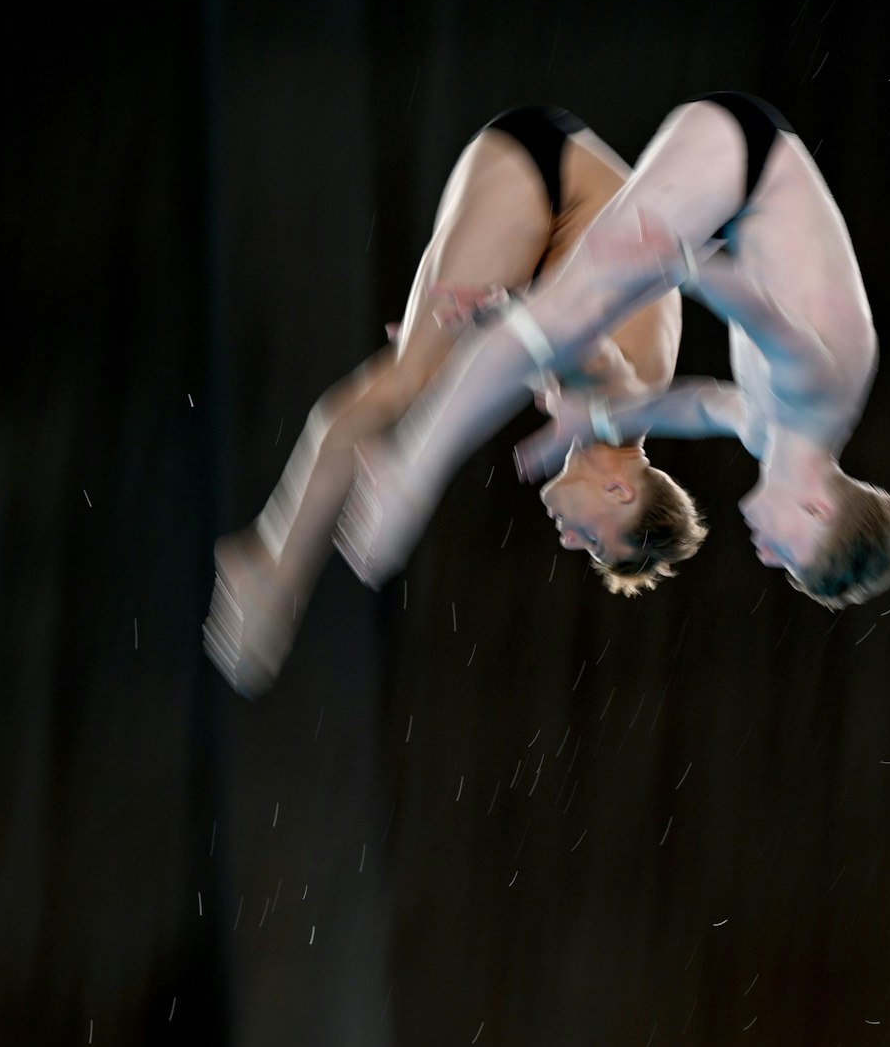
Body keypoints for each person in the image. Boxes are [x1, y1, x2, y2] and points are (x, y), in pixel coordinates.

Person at [338, 92, 890, 609]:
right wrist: (687, 264)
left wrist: (596, 418)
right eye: (788, 556)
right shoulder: (821, 397)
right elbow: (767, 319)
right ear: (819, 510)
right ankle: (411, 470)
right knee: (570, 314)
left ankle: (426, 439)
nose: (766, 556)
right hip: (746, 157)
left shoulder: (774, 435)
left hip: (737, 190)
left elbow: (697, 406)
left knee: (566, 316)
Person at [206, 106, 705, 698]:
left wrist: (475, 333)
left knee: (415, 381)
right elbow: (593, 352)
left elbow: (555, 338)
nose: (571, 542)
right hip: (549, 176)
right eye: (595, 539)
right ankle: (271, 561)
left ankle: (274, 561)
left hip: (555, 207)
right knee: (405, 384)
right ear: (619, 491)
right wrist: (500, 309)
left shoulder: (606, 420)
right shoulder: (626, 407)